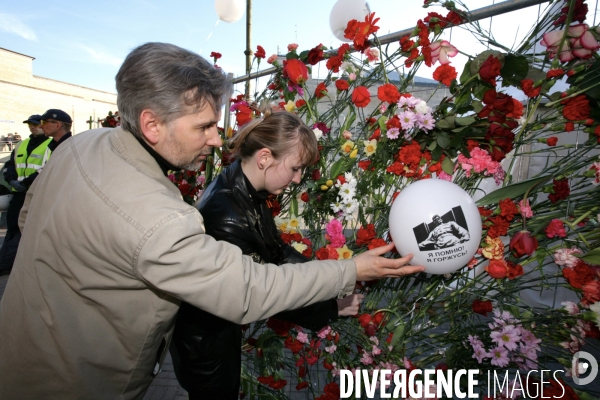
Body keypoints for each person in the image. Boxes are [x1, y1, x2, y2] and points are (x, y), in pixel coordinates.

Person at [0, 42, 423, 400]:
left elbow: (27, 214)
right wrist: (351, 270)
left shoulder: (81, 145)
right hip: (74, 382)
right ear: (151, 124)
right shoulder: (156, 216)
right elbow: (247, 291)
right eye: (203, 126)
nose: (217, 139)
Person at [169, 110, 364, 398]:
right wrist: (334, 306)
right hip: (207, 347)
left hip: (217, 332)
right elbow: (264, 292)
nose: (297, 180)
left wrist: (328, 282)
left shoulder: (246, 186)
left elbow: (276, 252)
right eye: (295, 168)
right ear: (264, 158)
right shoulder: (227, 216)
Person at [0, 114, 52, 275]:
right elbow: (10, 166)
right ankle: (6, 265)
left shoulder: (52, 145)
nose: (32, 127)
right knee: (14, 230)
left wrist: (25, 182)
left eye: (36, 124)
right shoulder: (22, 144)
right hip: (19, 195)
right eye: (30, 124)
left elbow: (48, 167)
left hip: (38, 194)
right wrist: (12, 181)